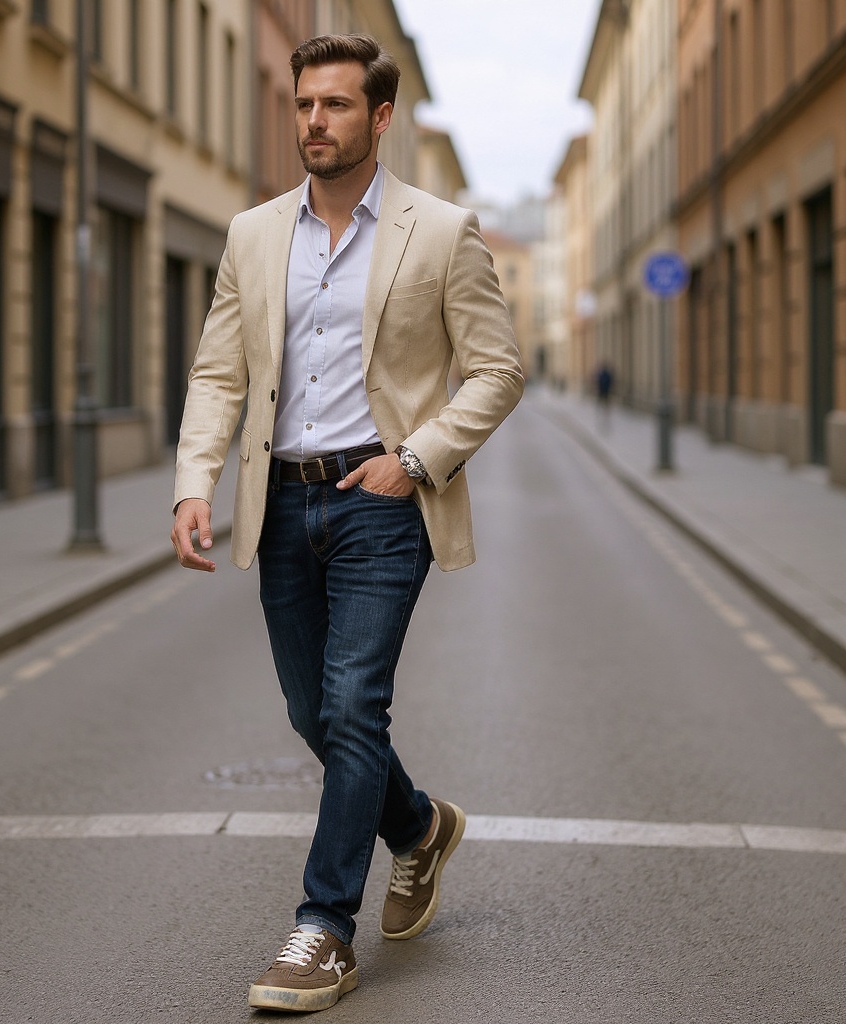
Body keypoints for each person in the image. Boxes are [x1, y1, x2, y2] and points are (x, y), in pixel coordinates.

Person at [170, 34, 524, 1013]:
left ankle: (323, 929)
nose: (312, 123)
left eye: (333, 106)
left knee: (354, 703)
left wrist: (414, 460)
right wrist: (193, 484)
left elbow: (498, 369)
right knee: (309, 713)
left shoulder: (441, 232)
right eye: (302, 105)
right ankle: (417, 828)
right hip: (282, 497)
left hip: (380, 498)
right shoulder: (252, 235)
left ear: (378, 118)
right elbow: (218, 374)